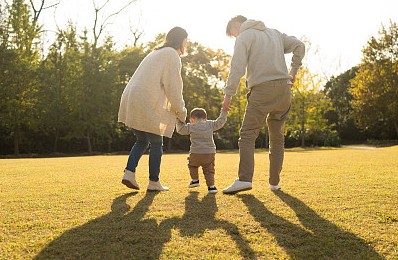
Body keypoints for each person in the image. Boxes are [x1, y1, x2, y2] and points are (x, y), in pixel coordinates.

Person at [222, 15, 305, 194]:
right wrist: (294, 70)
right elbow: (300, 45)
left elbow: (237, 68)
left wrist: (228, 95)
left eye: (233, 34)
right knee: (277, 138)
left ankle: (244, 179)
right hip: (284, 90)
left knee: (247, 135)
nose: (235, 37)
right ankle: (274, 183)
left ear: (237, 24)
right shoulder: (274, 33)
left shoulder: (244, 36)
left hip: (262, 90)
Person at [118, 27, 188, 192]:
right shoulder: (172, 55)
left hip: (132, 97)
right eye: (186, 40)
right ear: (182, 40)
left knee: (142, 139)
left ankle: (129, 173)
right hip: (146, 99)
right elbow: (173, 87)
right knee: (157, 141)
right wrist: (181, 111)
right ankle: (154, 181)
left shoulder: (156, 52)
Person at [176, 108, 228, 193]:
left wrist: (179, 120)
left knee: (192, 165)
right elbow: (220, 122)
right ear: (205, 118)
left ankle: (195, 180)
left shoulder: (190, 126)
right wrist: (224, 111)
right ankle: (211, 187)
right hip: (209, 152)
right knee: (209, 169)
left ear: (192, 119)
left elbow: (180, 130)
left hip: (195, 152)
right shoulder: (210, 124)